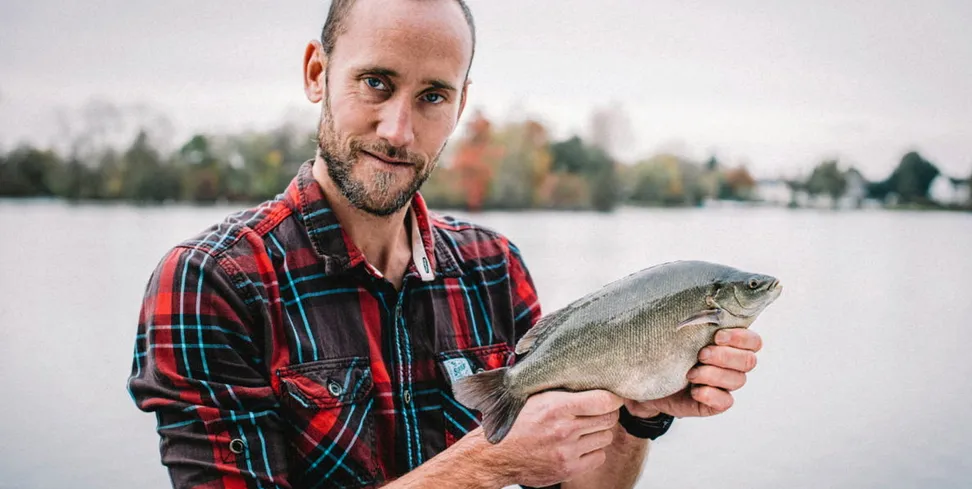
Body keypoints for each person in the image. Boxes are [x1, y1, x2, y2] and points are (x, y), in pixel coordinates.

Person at [127, 0, 765, 487]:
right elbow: (498, 459)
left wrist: (637, 408)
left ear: (460, 106)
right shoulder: (211, 281)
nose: (399, 130)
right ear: (317, 73)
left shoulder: (493, 268)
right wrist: (485, 464)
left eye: (433, 95)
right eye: (376, 82)